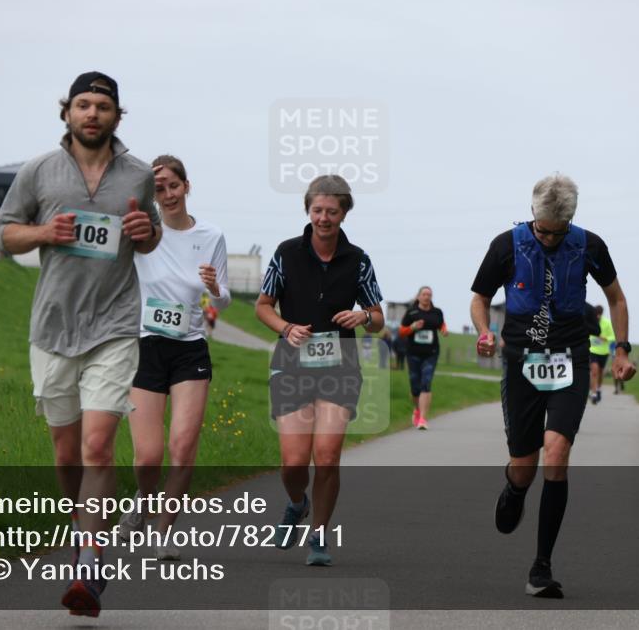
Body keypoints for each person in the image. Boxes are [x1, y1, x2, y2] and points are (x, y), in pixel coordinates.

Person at [0, 71, 162, 617]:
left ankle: (89, 564)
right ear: (67, 112)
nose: (93, 114)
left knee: (96, 447)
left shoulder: (138, 174)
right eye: (83, 105)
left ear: (117, 115)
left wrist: (146, 233)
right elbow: (3, 235)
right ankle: (81, 528)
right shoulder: (39, 171)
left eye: (103, 106)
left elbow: (151, 233)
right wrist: (44, 233)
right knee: (67, 454)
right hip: (53, 328)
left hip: (114, 324)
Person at [469, 173, 636, 599]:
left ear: (569, 223)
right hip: (521, 361)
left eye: (555, 233)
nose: (547, 239)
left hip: (571, 360)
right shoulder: (506, 246)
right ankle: (514, 488)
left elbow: (616, 298)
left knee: (557, 455)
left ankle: (541, 566)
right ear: (531, 217)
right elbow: (480, 298)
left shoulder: (589, 246)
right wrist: (485, 332)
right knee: (525, 466)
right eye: (541, 230)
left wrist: (621, 350)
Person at [255, 175, 384, 566]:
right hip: (292, 365)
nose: (324, 218)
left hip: (340, 368)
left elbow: (378, 319)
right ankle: (297, 503)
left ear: (344, 213)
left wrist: (363, 315)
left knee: (326, 457)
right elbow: (263, 306)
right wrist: (286, 328)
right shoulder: (286, 252)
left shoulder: (358, 259)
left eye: (332, 211)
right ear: (308, 211)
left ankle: (320, 537)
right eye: (317, 210)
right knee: (294, 462)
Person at [117, 155, 230, 560]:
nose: (167, 195)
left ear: (187, 186)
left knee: (183, 446)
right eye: (159, 188)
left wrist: (215, 287)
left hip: (190, 349)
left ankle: (163, 532)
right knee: (148, 456)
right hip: (146, 347)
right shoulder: (143, 235)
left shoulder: (212, 235)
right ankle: (143, 503)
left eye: (173, 186)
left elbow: (225, 300)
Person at [399, 286, 449, 430]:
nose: (427, 297)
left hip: (431, 353)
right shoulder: (411, 312)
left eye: (429, 294)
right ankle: (417, 410)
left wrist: (444, 331)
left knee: (426, 383)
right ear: (419, 296)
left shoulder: (437, 312)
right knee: (415, 387)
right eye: (424, 294)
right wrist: (412, 327)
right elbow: (402, 332)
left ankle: (422, 419)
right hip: (413, 353)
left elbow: (441, 324)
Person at [589, 304, 615, 404]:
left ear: (602, 314)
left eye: (599, 315)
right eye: (596, 315)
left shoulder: (607, 323)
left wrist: (606, 339)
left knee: (600, 372)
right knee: (594, 371)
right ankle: (594, 393)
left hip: (604, 351)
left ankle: (599, 389)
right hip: (593, 350)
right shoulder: (590, 321)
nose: (597, 317)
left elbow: (613, 337)